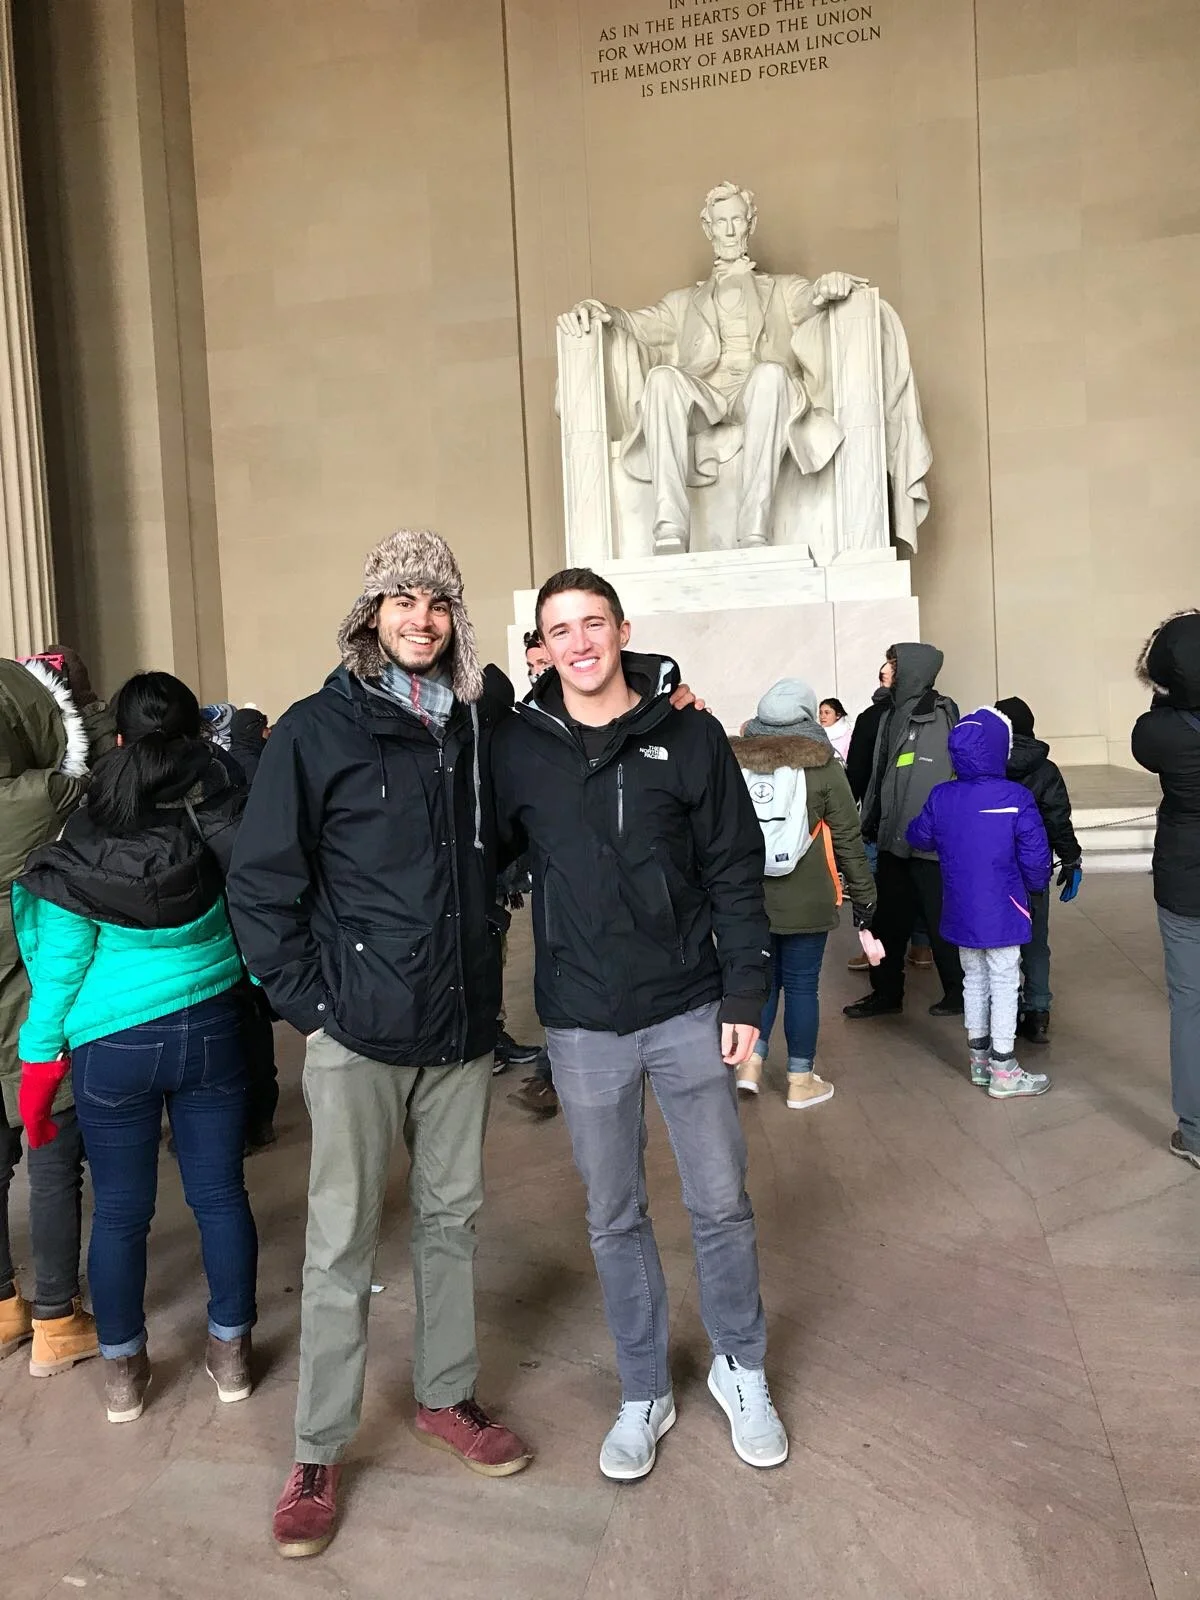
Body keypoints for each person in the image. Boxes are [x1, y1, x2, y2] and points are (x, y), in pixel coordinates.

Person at [227, 529, 534, 1561]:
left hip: (455, 1031)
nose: (419, 617)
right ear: (369, 616)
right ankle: (317, 1445)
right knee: (340, 1245)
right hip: (357, 1034)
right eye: (400, 599)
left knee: (450, 1222)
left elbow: (531, 822)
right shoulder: (317, 730)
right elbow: (261, 886)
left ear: (454, 617)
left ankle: (446, 1395)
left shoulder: (479, 729)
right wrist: (316, 1008)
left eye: (436, 601)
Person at [492, 566, 788, 1483]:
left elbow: (736, 870)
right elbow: (480, 859)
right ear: (540, 648)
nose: (578, 644)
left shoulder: (690, 736)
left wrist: (748, 991)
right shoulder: (516, 748)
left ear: (623, 630)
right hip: (582, 1021)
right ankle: (642, 1388)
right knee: (613, 1212)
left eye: (593, 623)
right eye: (559, 630)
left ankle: (741, 1366)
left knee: (719, 1201)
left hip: (688, 1004)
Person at [13, 672, 258, 1423]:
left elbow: (59, 972)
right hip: (214, 1023)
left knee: (120, 1212)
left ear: (116, 737)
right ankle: (230, 1355)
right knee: (220, 1197)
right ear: (196, 734)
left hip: (111, 1044)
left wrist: (37, 1067)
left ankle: (122, 1372)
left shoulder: (84, 831)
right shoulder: (222, 813)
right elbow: (257, 913)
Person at [0, 657, 97, 1376]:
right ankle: (58, 1317)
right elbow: (83, 754)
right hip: (34, 1017)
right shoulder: (47, 798)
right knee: (53, 1151)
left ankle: (3, 1306)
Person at [731, 679, 875, 1107]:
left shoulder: (735, 765)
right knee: (800, 986)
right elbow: (849, 837)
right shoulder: (824, 768)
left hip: (751, 898)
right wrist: (865, 897)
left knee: (761, 985)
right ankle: (800, 1080)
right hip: (809, 899)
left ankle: (750, 1066)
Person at [906, 706, 1052, 1097]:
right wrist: (1035, 890)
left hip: (960, 906)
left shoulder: (943, 796)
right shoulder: (1015, 796)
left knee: (974, 980)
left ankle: (980, 1063)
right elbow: (1036, 857)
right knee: (1004, 982)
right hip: (1005, 906)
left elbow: (918, 836)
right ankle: (1005, 1069)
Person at [844, 643, 964, 1020]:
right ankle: (885, 993)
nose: (886, 668)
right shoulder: (890, 714)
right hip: (893, 840)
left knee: (939, 920)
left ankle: (958, 993)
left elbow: (928, 782)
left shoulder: (936, 715)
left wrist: (915, 832)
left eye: (893, 664)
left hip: (924, 843)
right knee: (888, 923)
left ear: (912, 670)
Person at [1131, 610, 1200, 1168]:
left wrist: (1172, 693)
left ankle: (1197, 1133)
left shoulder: (1160, 731)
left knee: (1189, 1005)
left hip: (1184, 879)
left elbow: (1146, 741)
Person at [995, 696, 1084, 1045]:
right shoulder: (1046, 771)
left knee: (998, 942)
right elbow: (1058, 819)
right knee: (1035, 940)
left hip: (993, 867)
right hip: (1033, 867)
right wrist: (1071, 858)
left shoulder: (987, 765)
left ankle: (1001, 1012)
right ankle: (1038, 1013)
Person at [817, 697, 852, 761]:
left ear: (838, 715)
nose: (822, 716)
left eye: (827, 713)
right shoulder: (816, 734)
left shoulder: (847, 735)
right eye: (820, 713)